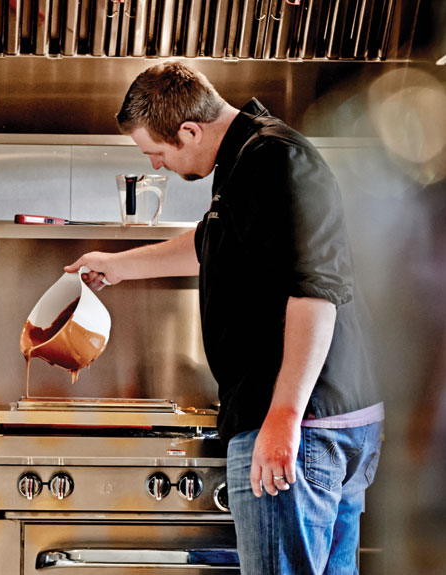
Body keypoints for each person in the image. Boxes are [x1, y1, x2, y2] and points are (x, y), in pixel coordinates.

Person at [65, 62, 384, 575]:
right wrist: (117, 266)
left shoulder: (274, 159)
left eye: (158, 153)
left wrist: (282, 418)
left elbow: (317, 291)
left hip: (298, 421)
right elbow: (209, 243)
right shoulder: (247, 162)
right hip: (318, 418)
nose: (160, 165)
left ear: (189, 130)